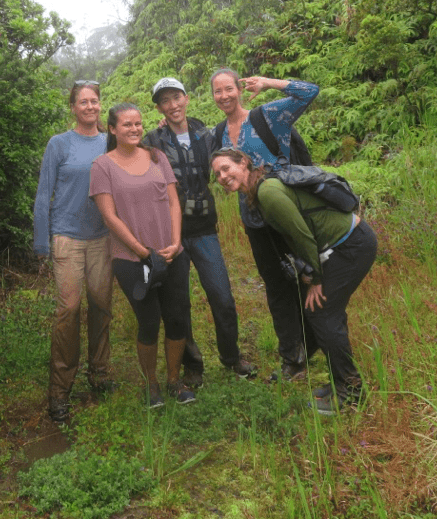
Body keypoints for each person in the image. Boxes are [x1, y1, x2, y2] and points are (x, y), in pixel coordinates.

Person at [210, 148, 377, 414]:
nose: (222, 176)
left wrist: (315, 279)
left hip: (351, 245)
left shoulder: (268, 192)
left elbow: (302, 236)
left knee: (322, 311)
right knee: (321, 312)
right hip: (340, 247)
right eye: (217, 173)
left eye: (226, 168)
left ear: (244, 162)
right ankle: (340, 382)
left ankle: (351, 392)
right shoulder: (260, 189)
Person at [142, 77, 256, 386]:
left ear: (186, 98)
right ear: (159, 107)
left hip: (204, 228)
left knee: (222, 295)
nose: (173, 105)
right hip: (171, 233)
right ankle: (192, 365)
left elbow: (235, 157)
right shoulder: (151, 140)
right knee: (179, 303)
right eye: (165, 100)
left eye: (176, 97)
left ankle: (231, 357)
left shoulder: (208, 135)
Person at [210, 68, 320, 382]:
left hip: (288, 214)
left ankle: (320, 343)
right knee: (276, 287)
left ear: (240, 89)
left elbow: (309, 91)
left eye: (229, 88)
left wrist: (269, 83)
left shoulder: (267, 116)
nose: (224, 96)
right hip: (255, 223)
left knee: (309, 277)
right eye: (217, 92)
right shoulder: (219, 134)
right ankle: (292, 358)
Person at [90, 103, 195, 407]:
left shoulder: (156, 156)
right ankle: (151, 385)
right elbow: (110, 216)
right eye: (126, 125)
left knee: (177, 319)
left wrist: (176, 243)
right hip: (131, 258)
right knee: (149, 321)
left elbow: (174, 203)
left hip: (171, 252)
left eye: (138, 124)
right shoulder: (102, 166)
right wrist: (142, 252)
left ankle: (174, 380)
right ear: (112, 129)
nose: (134, 129)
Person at [33, 81, 115, 424]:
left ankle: (100, 373)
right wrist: (41, 241)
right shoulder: (59, 144)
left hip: (102, 237)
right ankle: (60, 389)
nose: (90, 106)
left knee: (101, 305)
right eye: (83, 102)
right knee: (68, 310)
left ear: (100, 105)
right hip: (66, 236)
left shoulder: (109, 141)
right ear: (73, 107)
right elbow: (43, 193)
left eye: (94, 101)